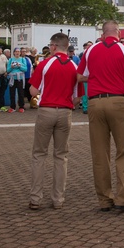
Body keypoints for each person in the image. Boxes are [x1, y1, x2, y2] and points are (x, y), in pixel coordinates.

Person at [79, 20, 124, 212]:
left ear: (103, 33)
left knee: (99, 152)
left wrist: (96, 76)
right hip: (117, 99)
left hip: (95, 102)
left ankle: (104, 199)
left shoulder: (90, 50)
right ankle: (123, 198)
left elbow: (80, 76)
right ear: (118, 33)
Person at [28, 33, 77, 211]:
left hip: (46, 109)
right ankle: (58, 198)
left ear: (54, 46)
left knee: (39, 154)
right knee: (61, 156)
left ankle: (35, 198)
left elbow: (33, 91)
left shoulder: (45, 64)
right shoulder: (74, 66)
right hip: (65, 111)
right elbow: (78, 95)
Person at [8, 47, 29, 113]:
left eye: (19, 51)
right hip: (12, 78)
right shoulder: (11, 60)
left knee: (21, 93)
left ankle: (21, 106)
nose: (17, 53)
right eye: (16, 51)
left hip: (20, 78)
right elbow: (8, 70)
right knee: (12, 93)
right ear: (14, 53)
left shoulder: (23, 59)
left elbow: (25, 69)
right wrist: (11, 67)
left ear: (20, 53)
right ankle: (12, 107)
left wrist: (19, 66)